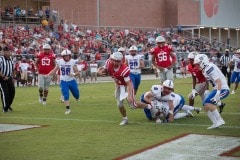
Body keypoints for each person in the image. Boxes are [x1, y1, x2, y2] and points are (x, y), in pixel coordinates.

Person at [97, 52, 152, 126]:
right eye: (114, 60)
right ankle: (125, 118)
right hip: (119, 85)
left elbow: (129, 83)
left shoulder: (124, 69)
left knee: (133, 105)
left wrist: (129, 95)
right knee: (119, 104)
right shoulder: (108, 62)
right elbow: (103, 69)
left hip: (126, 85)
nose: (115, 62)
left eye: (117, 61)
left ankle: (149, 106)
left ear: (121, 61)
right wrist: (98, 71)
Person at [194, 54, 229, 129]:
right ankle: (215, 123)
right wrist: (208, 89)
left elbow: (219, 81)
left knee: (208, 102)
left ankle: (220, 120)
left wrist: (217, 94)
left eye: (197, 64)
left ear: (203, 62)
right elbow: (210, 81)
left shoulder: (209, 67)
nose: (196, 66)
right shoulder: (205, 70)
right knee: (205, 105)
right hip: (217, 89)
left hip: (223, 89)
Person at [47, 49, 80, 114]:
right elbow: (54, 70)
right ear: (63, 56)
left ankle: (77, 97)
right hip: (63, 81)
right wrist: (48, 74)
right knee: (65, 95)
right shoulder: (60, 62)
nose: (67, 57)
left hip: (72, 81)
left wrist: (73, 74)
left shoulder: (72, 62)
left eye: (68, 56)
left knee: (76, 95)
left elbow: (78, 72)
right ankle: (68, 109)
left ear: (70, 56)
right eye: (65, 56)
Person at [0, 46, 15, 112]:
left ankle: (8, 105)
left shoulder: (11, 59)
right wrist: (3, 77)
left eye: (9, 51)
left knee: (12, 92)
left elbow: (13, 69)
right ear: (4, 52)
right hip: (2, 78)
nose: (9, 53)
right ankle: (5, 108)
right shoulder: (1, 59)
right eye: (7, 51)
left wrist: (13, 77)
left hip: (9, 78)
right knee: (5, 93)